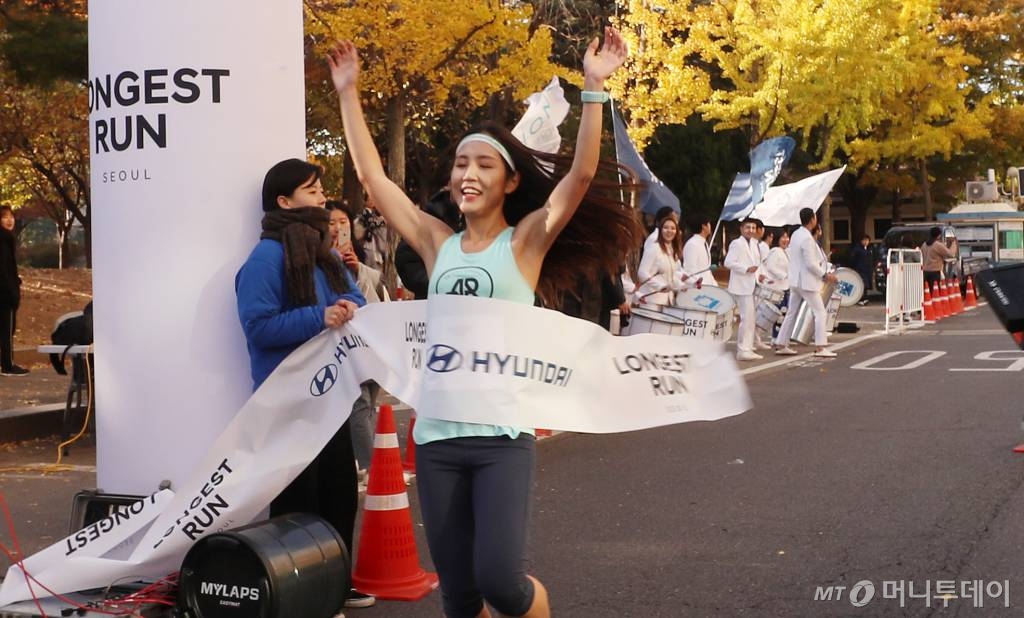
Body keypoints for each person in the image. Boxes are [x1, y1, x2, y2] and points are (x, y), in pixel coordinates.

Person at [330, 27, 636, 618]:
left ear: (510, 181)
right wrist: (348, 93)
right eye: (459, 164)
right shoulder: (437, 243)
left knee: (502, 584)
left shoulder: (524, 244)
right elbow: (374, 182)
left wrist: (593, 87)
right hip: (438, 441)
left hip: (501, 441)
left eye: (483, 165)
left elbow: (576, 179)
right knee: (460, 595)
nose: (467, 174)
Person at [234, 159, 374, 612]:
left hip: (331, 395)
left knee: (337, 492)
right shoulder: (264, 258)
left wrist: (347, 306)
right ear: (283, 201)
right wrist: (321, 317)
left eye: (320, 189)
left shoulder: (324, 252)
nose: (321, 196)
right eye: (311, 190)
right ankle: (300, 588)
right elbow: (258, 327)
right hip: (288, 398)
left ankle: (336, 580)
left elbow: (352, 294)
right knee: (298, 500)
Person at [327, 200, 383, 481]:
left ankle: (361, 460)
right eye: (332, 223)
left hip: (371, 335)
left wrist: (356, 267)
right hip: (345, 341)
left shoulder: (357, 252)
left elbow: (373, 286)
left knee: (370, 400)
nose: (338, 228)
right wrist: (335, 263)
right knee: (359, 403)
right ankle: (372, 466)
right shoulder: (321, 256)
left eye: (343, 222)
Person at [774, 208, 837, 358]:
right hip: (806, 282)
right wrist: (825, 275)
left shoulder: (796, 234)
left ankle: (781, 343)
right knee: (820, 312)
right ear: (812, 220)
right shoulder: (807, 238)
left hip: (795, 280)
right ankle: (821, 347)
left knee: (791, 312)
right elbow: (810, 263)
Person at [724, 219, 766, 361]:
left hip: (751, 284)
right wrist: (745, 269)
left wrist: (759, 275)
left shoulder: (754, 244)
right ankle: (743, 350)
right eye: (748, 227)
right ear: (742, 229)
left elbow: (756, 263)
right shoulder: (737, 243)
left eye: (753, 228)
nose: (751, 230)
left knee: (750, 319)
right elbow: (728, 262)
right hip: (741, 286)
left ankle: (747, 348)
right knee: (746, 318)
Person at [636, 215, 690, 305]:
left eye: (673, 228)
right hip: (650, 301)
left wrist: (682, 286)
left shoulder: (672, 250)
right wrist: (659, 286)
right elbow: (642, 272)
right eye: (665, 228)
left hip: (667, 302)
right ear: (660, 230)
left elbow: (671, 277)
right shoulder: (654, 247)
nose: (669, 231)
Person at [0, 206, 28, 376]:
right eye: (4, 217)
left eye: (11, 216)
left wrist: (16, 280)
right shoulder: (4, 241)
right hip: (5, 295)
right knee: (7, 330)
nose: (9, 220)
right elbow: (3, 270)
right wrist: (12, 290)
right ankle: (8, 365)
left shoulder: (6, 240)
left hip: (6, 290)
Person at [682, 214, 718, 287]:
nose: (710, 226)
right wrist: (698, 283)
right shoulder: (692, 244)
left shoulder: (704, 243)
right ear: (704, 226)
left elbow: (707, 270)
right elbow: (690, 270)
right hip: (697, 289)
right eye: (709, 223)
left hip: (707, 287)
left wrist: (715, 286)